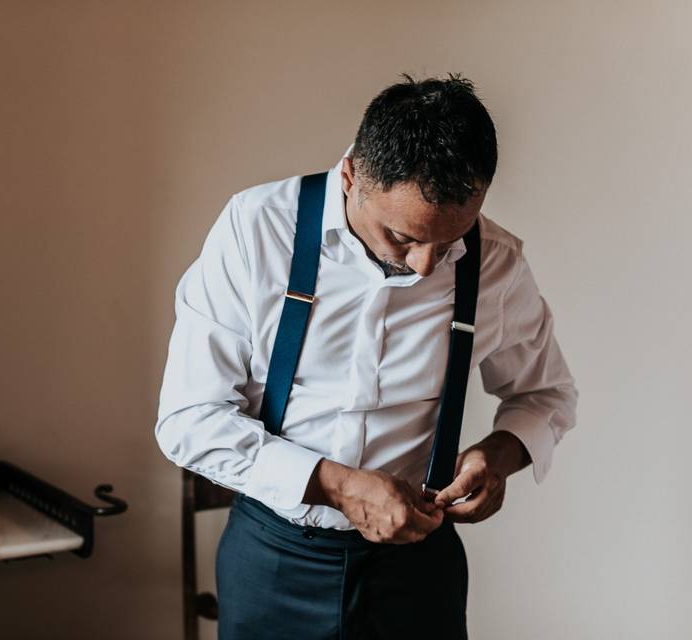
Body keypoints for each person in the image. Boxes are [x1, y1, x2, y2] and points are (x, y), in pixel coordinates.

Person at [155, 74, 577, 639]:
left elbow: (544, 394)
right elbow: (189, 420)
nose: (427, 266)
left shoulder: (496, 262)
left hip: (419, 572)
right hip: (275, 558)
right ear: (351, 175)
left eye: (449, 241)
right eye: (402, 237)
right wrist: (337, 485)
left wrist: (498, 457)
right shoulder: (256, 230)